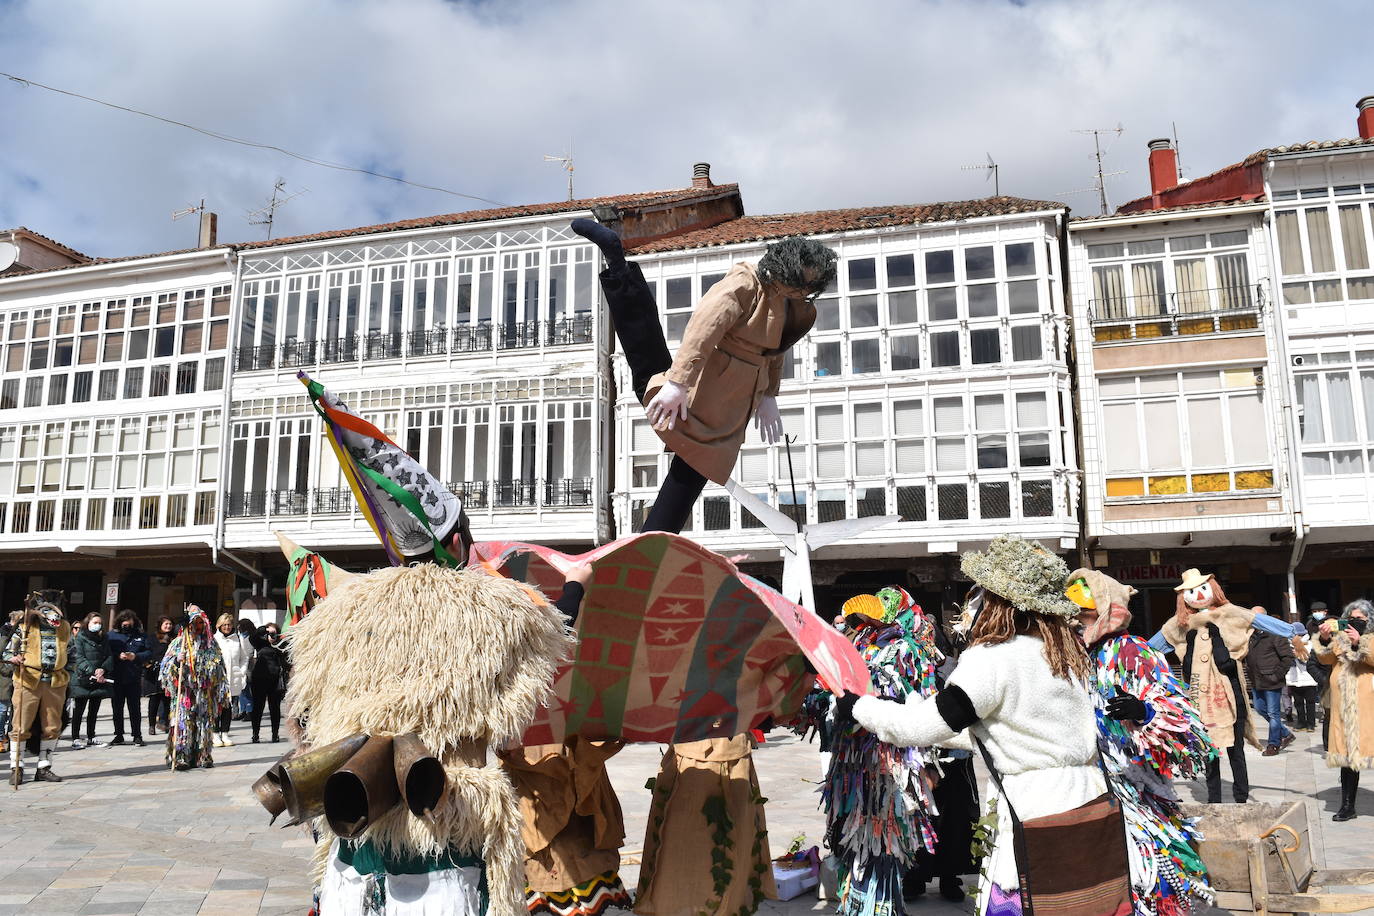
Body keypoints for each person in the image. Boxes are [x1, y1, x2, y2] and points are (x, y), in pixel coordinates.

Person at [837, 536, 1125, 915]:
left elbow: (922, 726)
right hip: (1092, 804)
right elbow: (1018, 727)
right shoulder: (1064, 653)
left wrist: (861, 707)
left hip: (1034, 814)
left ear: (998, 601)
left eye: (980, 593)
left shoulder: (993, 659)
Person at [572, 219, 838, 534]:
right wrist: (677, 382)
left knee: (694, 469)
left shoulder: (791, 305)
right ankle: (617, 262)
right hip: (703, 388)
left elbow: (774, 352)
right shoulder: (746, 282)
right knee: (648, 363)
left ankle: (653, 543)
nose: (806, 292)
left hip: (730, 408)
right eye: (804, 284)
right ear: (789, 270)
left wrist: (769, 395)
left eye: (811, 287)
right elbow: (704, 327)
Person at [1067, 568, 1215, 916]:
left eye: (1082, 615)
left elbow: (1188, 727)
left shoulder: (1133, 651)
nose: (1075, 623)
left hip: (1135, 790)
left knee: (1148, 875)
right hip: (1086, 788)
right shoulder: (1071, 656)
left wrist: (1144, 712)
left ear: (1103, 613)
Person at [499, 565, 633, 916]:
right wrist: (576, 583)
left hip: (565, 754)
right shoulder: (519, 645)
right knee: (549, 857)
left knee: (573, 848)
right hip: (534, 763)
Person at [823, 587, 942, 912]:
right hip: (852, 760)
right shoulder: (858, 644)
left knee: (883, 838)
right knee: (854, 835)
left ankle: (882, 906)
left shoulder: (907, 648)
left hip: (890, 762)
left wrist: (928, 765)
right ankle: (857, 905)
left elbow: (924, 707)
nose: (866, 621)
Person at [1159, 569, 1260, 804]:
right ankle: (1214, 799)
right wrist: (1194, 641)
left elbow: (1226, 663)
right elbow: (1186, 670)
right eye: (1191, 591)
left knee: (1235, 750)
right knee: (1209, 752)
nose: (1198, 595)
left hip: (1231, 696)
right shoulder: (1186, 629)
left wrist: (1215, 636)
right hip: (1200, 699)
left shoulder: (1228, 618)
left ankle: (1240, 797)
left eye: (1202, 588)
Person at [1314, 599, 1374, 821]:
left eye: (1361, 619)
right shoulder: (1340, 637)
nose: (1356, 622)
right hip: (1343, 705)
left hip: (1368, 704)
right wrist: (1324, 638)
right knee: (1348, 757)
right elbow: (1325, 658)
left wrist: (1360, 643)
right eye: (1352, 618)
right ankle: (1348, 805)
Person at [6, 591, 73, 787]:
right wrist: (14, 657)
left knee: (52, 726)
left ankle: (44, 767)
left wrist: (70, 672)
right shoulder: (25, 626)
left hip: (55, 682)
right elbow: (9, 649)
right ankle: (16, 767)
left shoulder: (65, 628)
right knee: (20, 726)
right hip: (28, 679)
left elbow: (72, 653)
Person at [159, 606, 228, 770]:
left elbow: (220, 667)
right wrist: (177, 660)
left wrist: (217, 686)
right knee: (183, 723)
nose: (198, 627)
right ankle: (180, 756)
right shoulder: (178, 643)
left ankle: (203, 755)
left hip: (205, 693)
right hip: (186, 693)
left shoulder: (211, 645)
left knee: (204, 724)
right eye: (195, 623)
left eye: (201, 623)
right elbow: (164, 669)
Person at [1248, 610, 1297, 756]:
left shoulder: (1275, 634)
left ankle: (1273, 744)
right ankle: (1285, 733)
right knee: (1259, 708)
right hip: (1256, 680)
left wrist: (1276, 675)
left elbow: (1288, 657)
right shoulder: (1250, 634)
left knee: (1273, 713)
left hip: (1271, 680)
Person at [69, 611, 113, 749]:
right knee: (79, 711)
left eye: (99, 623)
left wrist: (103, 669)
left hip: (98, 679)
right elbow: (79, 658)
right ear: (87, 623)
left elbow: (109, 656)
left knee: (94, 710)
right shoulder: (80, 638)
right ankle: (75, 738)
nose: (97, 625)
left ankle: (91, 736)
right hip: (83, 678)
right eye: (95, 622)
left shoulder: (104, 638)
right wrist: (93, 670)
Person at [107, 610, 151, 746]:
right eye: (124, 622)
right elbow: (106, 652)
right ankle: (118, 734)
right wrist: (117, 656)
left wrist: (136, 657)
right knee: (117, 708)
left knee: (134, 708)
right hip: (117, 677)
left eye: (129, 621)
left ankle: (137, 735)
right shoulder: (111, 636)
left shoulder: (141, 636)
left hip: (134, 677)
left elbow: (149, 652)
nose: (126, 624)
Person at [212, 612, 252, 747]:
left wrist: (241, 672)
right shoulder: (214, 639)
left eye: (229, 624)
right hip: (217, 678)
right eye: (224, 625)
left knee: (228, 707)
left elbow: (244, 657)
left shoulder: (238, 639)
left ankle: (225, 733)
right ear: (219, 625)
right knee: (217, 707)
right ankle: (215, 733)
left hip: (233, 677)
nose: (227, 627)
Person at [247, 622, 289, 744]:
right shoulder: (260, 643)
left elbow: (287, 657)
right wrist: (263, 630)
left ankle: (275, 734)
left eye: (274, 633)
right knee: (258, 707)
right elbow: (252, 638)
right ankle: (255, 734)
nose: (271, 635)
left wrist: (277, 641)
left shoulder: (281, 644)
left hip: (275, 680)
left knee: (274, 707)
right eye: (269, 633)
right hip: (259, 678)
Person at [144, 615, 175, 735]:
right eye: (166, 624)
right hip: (154, 672)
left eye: (170, 624)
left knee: (167, 700)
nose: (168, 626)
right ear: (160, 625)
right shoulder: (152, 638)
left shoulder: (174, 639)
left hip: (168, 673)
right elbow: (148, 652)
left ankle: (165, 722)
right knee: (154, 700)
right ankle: (152, 725)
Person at [1288, 631, 1320, 732]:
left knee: (1310, 703)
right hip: (1294, 678)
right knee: (1298, 702)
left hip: (1308, 678)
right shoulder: (1289, 645)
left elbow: (1310, 661)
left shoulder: (1310, 644)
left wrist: (1298, 655)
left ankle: (1311, 723)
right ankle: (1301, 722)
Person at [236, 618, 256, 720]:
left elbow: (249, 653)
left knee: (246, 688)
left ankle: (250, 710)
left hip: (248, 666)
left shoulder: (250, 637)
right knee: (240, 689)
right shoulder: (240, 637)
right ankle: (243, 709)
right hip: (239, 665)